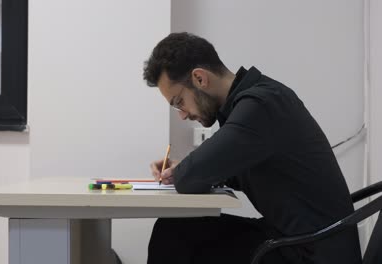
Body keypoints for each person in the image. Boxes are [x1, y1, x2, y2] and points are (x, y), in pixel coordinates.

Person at [143, 32, 361, 264]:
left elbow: (190, 177)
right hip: (296, 241)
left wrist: (183, 171)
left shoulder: (260, 106)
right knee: (176, 229)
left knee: (174, 236)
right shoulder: (255, 101)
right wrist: (182, 168)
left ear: (199, 78)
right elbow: (224, 169)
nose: (183, 114)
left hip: (310, 253)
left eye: (179, 102)